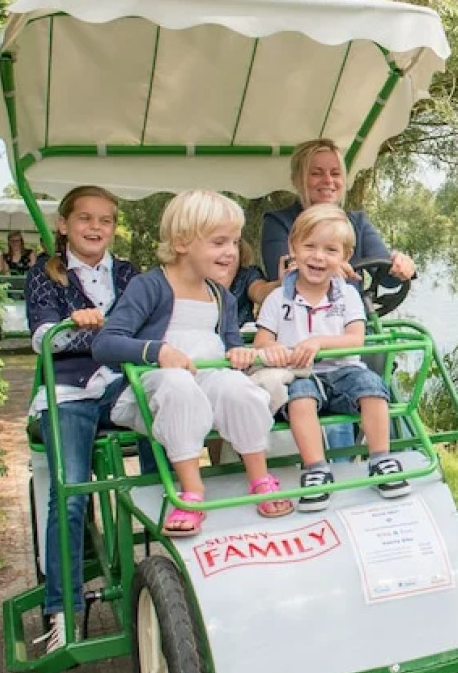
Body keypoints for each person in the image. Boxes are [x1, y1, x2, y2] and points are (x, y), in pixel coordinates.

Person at [94, 190, 295, 538]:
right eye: (219, 242)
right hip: (158, 389)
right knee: (178, 385)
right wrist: (156, 351)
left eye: (233, 241)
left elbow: (231, 347)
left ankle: (260, 477)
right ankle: (190, 491)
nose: (231, 252)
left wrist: (244, 355)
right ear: (183, 242)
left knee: (238, 388)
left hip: (208, 378)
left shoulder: (221, 296)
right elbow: (106, 343)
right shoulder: (150, 286)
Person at [23, 186, 139, 654]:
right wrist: (81, 327)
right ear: (65, 225)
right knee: (69, 493)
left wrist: (102, 334)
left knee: (167, 432)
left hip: (117, 385)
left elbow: (145, 330)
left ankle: (171, 572)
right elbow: (44, 340)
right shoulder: (45, 274)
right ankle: (63, 611)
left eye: (105, 220)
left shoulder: (128, 274)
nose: (95, 228)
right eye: (86, 219)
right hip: (67, 392)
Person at [254, 204, 410, 510]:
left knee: (371, 385)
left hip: (343, 372)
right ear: (293, 248)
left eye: (329, 250)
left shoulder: (347, 295)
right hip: (301, 373)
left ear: (344, 257)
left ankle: (381, 459)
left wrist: (318, 343)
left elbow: (355, 340)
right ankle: (316, 468)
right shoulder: (277, 298)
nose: (318, 256)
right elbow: (262, 341)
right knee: (299, 398)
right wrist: (269, 349)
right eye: (309, 246)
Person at [252, 139, 415, 307]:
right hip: (300, 322)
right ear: (297, 180)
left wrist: (400, 266)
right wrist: (328, 269)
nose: (328, 180)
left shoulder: (357, 222)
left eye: (335, 173)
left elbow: (387, 279)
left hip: (353, 322)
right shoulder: (278, 222)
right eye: (316, 173)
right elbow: (286, 276)